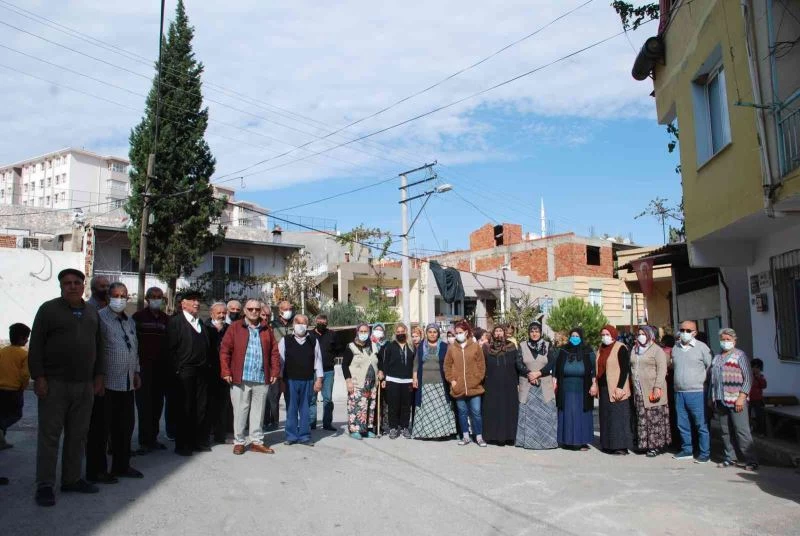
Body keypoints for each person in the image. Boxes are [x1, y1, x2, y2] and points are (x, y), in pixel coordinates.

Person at [29, 268, 104, 507]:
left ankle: (71, 479)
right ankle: (44, 485)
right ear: (61, 287)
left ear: (84, 286)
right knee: (50, 436)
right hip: (55, 384)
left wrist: (99, 375)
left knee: (78, 435)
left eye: (76, 282)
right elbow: (36, 347)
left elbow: (99, 346)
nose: (72, 286)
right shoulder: (48, 310)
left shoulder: (92, 312)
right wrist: (38, 377)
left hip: (84, 385)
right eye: (67, 283)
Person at [87, 282, 142, 482]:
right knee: (100, 430)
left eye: (123, 295)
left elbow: (134, 348)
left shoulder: (129, 321)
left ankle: (121, 465)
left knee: (124, 428)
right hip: (106, 383)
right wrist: (96, 376)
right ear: (109, 297)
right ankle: (97, 471)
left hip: (126, 383)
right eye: (116, 295)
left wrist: (136, 371)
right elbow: (93, 349)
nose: (120, 299)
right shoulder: (99, 318)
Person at [220, 299, 281, 455]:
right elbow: (225, 350)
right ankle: (239, 441)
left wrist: (274, 371)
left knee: (258, 412)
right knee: (240, 411)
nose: (254, 311)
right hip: (240, 377)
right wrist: (226, 371)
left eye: (256, 309)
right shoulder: (235, 327)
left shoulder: (267, 329)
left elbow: (274, 352)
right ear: (245, 311)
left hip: (261, 377)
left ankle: (256, 442)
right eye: (250, 309)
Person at [166, 290, 211, 456]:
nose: (196, 303)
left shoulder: (200, 324)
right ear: (182, 303)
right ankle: (183, 443)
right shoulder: (176, 322)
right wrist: (176, 370)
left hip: (201, 372)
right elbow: (170, 349)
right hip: (184, 372)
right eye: (192, 300)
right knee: (184, 407)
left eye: (197, 300)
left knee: (200, 407)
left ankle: (196, 440)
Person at [711, 328, 758, 470]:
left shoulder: (740, 355)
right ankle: (730, 457)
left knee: (741, 430)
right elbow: (713, 379)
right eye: (723, 339)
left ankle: (750, 459)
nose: (725, 342)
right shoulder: (717, 357)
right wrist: (711, 397)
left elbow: (748, 378)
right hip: (720, 399)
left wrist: (742, 397)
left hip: (736, 399)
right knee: (725, 431)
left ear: (734, 340)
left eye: (728, 339)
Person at [132, 287, 170, 453]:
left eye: (159, 297)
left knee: (157, 405)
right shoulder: (138, 318)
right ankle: (144, 441)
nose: (156, 299)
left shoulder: (166, 319)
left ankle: (153, 438)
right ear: (147, 299)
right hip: (143, 369)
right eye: (153, 297)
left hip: (161, 369)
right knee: (144, 406)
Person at [671, 320, 712, 463]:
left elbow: (709, 367)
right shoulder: (675, 348)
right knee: (682, 423)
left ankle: (704, 452)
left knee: (701, 424)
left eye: (688, 331)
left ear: (694, 333)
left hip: (697, 392)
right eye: (682, 330)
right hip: (679, 392)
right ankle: (687, 449)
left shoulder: (702, 348)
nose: (684, 333)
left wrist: (705, 385)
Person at [280, 314, 322, 446]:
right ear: (293, 324)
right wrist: (280, 381)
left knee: (305, 409)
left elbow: (318, 362)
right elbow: (280, 362)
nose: (301, 325)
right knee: (291, 408)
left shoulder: (314, 341)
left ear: (307, 325)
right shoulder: (285, 340)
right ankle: (291, 436)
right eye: (298, 322)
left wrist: (319, 380)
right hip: (290, 380)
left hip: (308, 380)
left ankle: (304, 436)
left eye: (304, 323)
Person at [444, 321, 487, 447]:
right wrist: (452, 380)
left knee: (476, 412)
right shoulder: (452, 348)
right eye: (456, 333)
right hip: (459, 387)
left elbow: (481, 366)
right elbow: (447, 366)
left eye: (460, 333)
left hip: (474, 387)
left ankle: (479, 436)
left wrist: (477, 379)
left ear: (466, 333)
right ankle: (465, 436)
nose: (458, 335)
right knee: (462, 412)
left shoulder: (475, 347)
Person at [515, 321, 557, 450]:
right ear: (529, 333)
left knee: (546, 414)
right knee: (527, 413)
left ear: (541, 333)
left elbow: (551, 363)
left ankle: (547, 442)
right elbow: (518, 363)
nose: (534, 334)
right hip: (527, 384)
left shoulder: (548, 345)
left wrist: (538, 373)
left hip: (544, 384)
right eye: (532, 331)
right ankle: (525, 441)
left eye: (537, 331)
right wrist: (529, 374)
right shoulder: (522, 345)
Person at [553, 328, 597, 451]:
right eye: (572, 336)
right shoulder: (563, 350)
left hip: (583, 388)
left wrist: (594, 384)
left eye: (577, 336)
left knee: (581, 415)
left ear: (581, 337)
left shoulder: (588, 352)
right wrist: (554, 381)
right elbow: (555, 368)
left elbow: (594, 370)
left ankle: (582, 441)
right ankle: (566, 441)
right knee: (567, 415)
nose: (575, 338)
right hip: (565, 388)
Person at [630, 326, 670, 458]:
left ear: (649, 335)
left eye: (643, 334)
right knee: (642, 418)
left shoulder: (657, 350)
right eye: (639, 334)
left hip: (652, 389)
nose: (640, 336)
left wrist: (657, 386)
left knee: (654, 419)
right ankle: (644, 444)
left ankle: (655, 446)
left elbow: (662, 370)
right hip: (638, 390)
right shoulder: (635, 349)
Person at [411, 323, 456, 439]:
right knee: (427, 410)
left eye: (434, 332)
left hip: (440, 384)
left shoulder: (445, 346)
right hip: (424, 383)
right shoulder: (421, 346)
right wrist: (415, 378)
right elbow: (416, 363)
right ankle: (426, 433)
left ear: (438, 333)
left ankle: (440, 433)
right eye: (430, 332)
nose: (432, 334)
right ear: (426, 333)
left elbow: (450, 364)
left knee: (439, 410)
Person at [596, 325, 633, 455]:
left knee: (618, 417)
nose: (604, 337)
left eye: (607, 334)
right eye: (602, 334)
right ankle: (607, 444)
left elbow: (624, 369)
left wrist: (620, 387)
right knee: (606, 416)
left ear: (613, 334)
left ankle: (620, 446)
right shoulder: (601, 349)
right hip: (604, 387)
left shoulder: (620, 347)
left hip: (617, 387)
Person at [378, 323, 417, 439]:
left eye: (402, 331)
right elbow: (384, 362)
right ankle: (393, 428)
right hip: (392, 379)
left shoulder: (411, 346)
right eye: (398, 332)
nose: (400, 333)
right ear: (395, 333)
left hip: (407, 380)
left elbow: (415, 363)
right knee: (393, 405)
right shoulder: (389, 346)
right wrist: (384, 378)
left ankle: (405, 427)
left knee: (406, 405)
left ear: (406, 331)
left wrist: (414, 378)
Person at [482, 326, 519, 446]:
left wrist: (518, 382)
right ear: (492, 334)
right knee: (494, 408)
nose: (498, 333)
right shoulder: (487, 348)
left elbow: (517, 365)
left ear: (504, 333)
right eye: (496, 331)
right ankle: (493, 436)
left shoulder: (512, 347)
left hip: (509, 383)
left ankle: (509, 437)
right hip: (492, 384)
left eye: (500, 331)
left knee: (508, 408)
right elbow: (483, 365)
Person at [342, 323, 379, 439]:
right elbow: (344, 365)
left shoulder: (374, 345)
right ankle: (354, 430)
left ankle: (367, 429)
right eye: (361, 331)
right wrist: (348, 381)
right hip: (357, 382)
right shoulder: (351, 346)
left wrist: (381, 371)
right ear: (357, 332)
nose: (363, 334)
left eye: (365, 331)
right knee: (356, 406)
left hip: (372, 383)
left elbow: (379, 361)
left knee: (370, 406)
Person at [0, 323, 31, 450]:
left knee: (1, 414)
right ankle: (0, 429)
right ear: (21, 338)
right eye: (26, 338)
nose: (27, 340)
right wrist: (23, 386)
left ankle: (1, 441)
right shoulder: (23, 355)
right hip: (14, 391)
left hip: (0, 389)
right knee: (15, 414)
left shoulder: (2, 352)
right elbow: (25, 374)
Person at [205, 302, 232, 445]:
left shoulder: (229, 329)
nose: (222, 315)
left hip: (224, 372)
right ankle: (206, 433)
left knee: (223, 404)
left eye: (224, 313)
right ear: (211, 313)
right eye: (218, 313)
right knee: (207, 404)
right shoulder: (204, 327)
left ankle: (220, 435)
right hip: (208, 371)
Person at [266, 300, 293, 430]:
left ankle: (290, 421)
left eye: (290, 309)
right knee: (273, 396)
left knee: (290, 397)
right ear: (280, 310)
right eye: (286, 309)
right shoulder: (272, 325)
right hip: (276, 365)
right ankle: (273, 422)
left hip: (291, 367)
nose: (289, 311)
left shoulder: (295, 323)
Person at [309, 314, 338, 431]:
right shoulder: (309, 335)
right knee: (311, 398)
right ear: (315, 322)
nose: (322, 324)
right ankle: (311, 423)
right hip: (313, 371)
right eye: (319, 322)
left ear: (327, 323)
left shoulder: (332, 334)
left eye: (324, 322)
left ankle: (327, 423)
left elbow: (338, 349)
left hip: (328, 371)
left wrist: (332, 359)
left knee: (328, 398)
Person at [750, 358, 767, 435]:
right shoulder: (749, 376)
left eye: (757, 368)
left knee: (760, 416)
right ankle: (750, 429)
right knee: (748, 415)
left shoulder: (761, 377)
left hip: (758, 399)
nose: (755, 369)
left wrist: (758, 377)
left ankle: (761, 432)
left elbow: (764, 386)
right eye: (754, 367)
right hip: (748, 399)